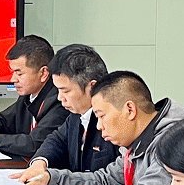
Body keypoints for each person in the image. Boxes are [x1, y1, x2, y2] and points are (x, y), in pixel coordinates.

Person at [20, 70, 184, 185]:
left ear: (130, 110)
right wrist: (51, 179)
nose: (99, 126)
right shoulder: (138, 141)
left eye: (101, 116)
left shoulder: (174, 140)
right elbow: (106, 181)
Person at [10, 43, 117, 177]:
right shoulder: (75, 116)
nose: (60, 97)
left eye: (65, 91)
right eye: (58, 90)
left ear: (92, 87)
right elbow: (56, 140)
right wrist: (40, 162)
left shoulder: (113, 121)